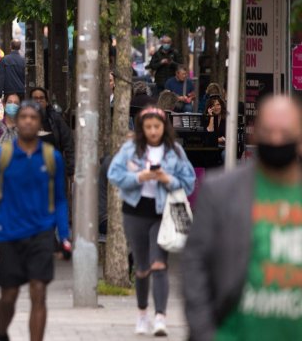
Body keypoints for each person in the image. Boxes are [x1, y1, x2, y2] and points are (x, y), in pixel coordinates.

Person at [184, 95, 302, 341]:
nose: (276, 139)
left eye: (285, 132)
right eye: (269, 131)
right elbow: (194, 263)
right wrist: (205, 332)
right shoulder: (220, 191)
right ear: (255, 133)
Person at [0, 101, 71, 341]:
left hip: (41, 234)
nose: (28, 121)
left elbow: (61, 200)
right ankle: (2, 331)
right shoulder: (1, 156)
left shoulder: (52, 157)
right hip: (8, 234)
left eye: (33, 117)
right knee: (8, 295)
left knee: (39, 292)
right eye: (24, 117)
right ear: (17, 121)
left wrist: (64, 236)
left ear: (40, 122)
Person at [108, 106, 196, 336]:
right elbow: (114, 175)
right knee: (142, 267)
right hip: (135, 212)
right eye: (148, 127)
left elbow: (189, 181)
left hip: (162, 213)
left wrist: (168, 179)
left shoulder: (174, 151)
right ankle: (142, 314)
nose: (153, 131)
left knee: (159, 265)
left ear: (164, 127)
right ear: (141, 129)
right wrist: (139, 177)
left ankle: (160, 318)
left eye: (157, 127)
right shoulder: (130, 149)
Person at [29, 87, 75, 179]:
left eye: (41, 98)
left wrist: (70, 168)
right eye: (35, 99)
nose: (38, 101)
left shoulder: (55, 119)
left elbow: (68, 143)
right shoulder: (25, 121)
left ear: (46, 102)